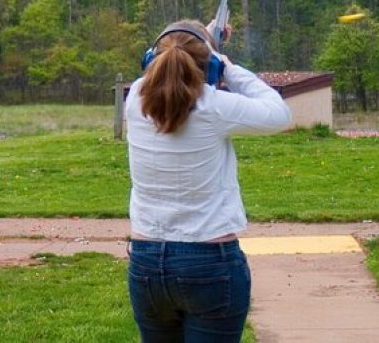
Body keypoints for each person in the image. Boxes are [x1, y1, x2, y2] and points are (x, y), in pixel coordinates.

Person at [125, 19, 292, 342]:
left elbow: (177, 55)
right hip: (209, 263)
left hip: (146, 262)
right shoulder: (215, 106)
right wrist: (227, 65)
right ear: (211, 68)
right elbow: (279, 113)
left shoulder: (134, 100)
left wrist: (206, 37)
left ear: (150, 61)